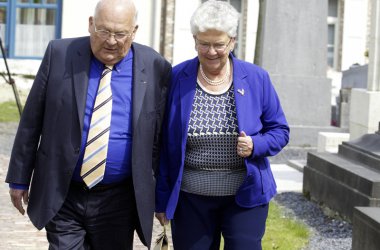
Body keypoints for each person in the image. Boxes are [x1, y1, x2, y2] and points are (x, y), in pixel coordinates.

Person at [5, 0, 171, 249]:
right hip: (65, 192)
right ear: (91, 24)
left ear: (134, 31)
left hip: (119, 200)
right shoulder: (60, 54)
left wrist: (160, 196)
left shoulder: (155, 66)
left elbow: (159, 138)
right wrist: (19, 179)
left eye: (120, 33)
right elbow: (31, 120)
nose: (111, 41)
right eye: (104, 31)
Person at [155, 1, 289, 249]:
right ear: (195, 40)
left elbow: (280, 131)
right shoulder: (177, 77)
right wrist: (161, 200)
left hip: (245, 196)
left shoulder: (256, 78)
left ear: (232, 42)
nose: (211, 51)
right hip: (190, 200)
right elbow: (164, 143)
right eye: (204, 43)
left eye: (219, 44)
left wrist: (256, 145)